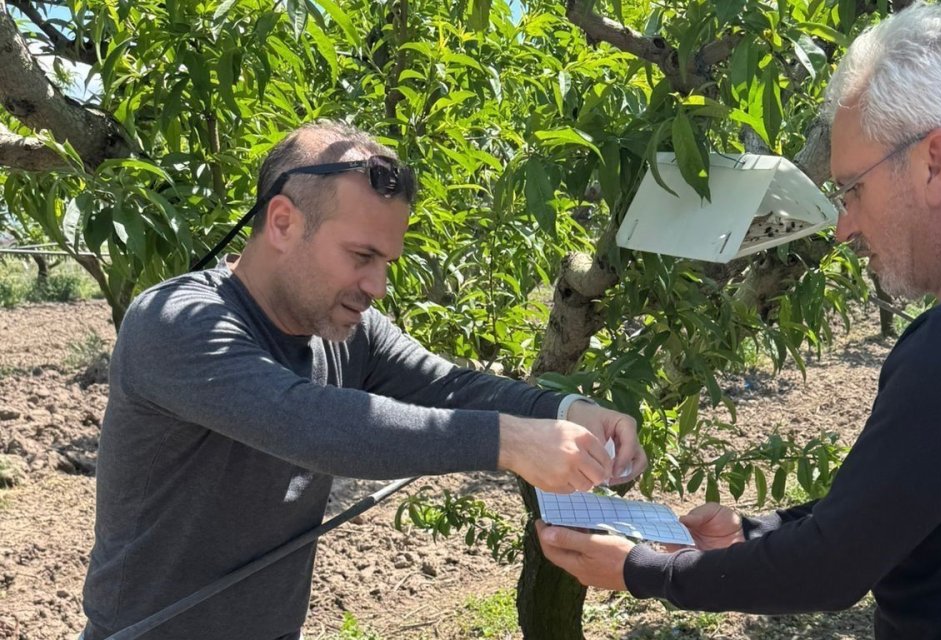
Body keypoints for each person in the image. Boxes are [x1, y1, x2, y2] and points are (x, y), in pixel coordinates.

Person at [536, 4, 941, 638]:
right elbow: (903, 502)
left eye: (853, 188)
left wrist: (646, 569)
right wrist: (756, 533)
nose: (843, 226)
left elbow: (833, 568)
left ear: (934, 163)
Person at [80, 120, 647, 640]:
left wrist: (567, 411)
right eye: (361, 255)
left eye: (386, 263)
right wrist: (511, 440)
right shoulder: (177, 322)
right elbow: (309, 424)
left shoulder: (349, 330)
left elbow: (449, 386)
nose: (376, 286)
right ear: (282, 223)